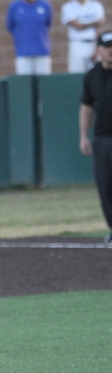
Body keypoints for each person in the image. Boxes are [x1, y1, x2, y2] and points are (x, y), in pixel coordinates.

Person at [79, 31, 112, 244]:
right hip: (103, 138)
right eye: (107, 47)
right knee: (105, 186)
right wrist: (83, 136)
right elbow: (86, 107)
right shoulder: (92, 76)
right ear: (99, 50)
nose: (111, 51)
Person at [7, 0, 54, 74]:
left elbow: (48, 24)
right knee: (24, 79)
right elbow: (10, 26)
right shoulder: (14, 6)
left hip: (42, 51)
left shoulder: (45, 5)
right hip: (23, 52)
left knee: (44, 79)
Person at [61, 0, 106, 73]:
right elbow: (78, 26)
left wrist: (97, 47)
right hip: (77, 43)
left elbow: (100, 27)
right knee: (76, 72)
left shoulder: (96, 6)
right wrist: (95, 22)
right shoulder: (68, 7)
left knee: (96, 72)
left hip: (93, 43)